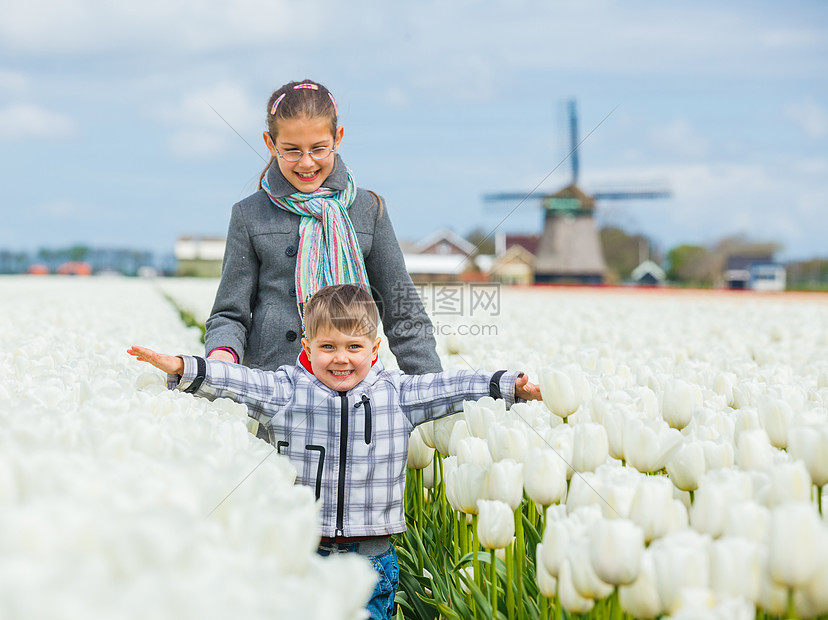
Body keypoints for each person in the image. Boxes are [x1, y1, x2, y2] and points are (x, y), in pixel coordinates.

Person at [128, 284, 541, 620]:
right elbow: (237, 381)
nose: (341, 358)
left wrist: (510, 385)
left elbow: (452, 386)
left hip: (373, 558)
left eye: (353, 347)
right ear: (307, 347)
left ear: (374, 349)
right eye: (327, 347)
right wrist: (185, 367)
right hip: (305, 551)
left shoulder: (397, 394)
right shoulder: (287, 391)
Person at [204, 79, 441, 380]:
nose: (306, 162)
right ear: (269, 143)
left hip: (353, 387)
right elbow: (229, 314)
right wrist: (221, 359)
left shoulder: (368, 210)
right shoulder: (249, 214)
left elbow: (404, 314)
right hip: (273, 385)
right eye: (291, 150)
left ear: (337, 138)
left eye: (318, 148)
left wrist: (433, 392)